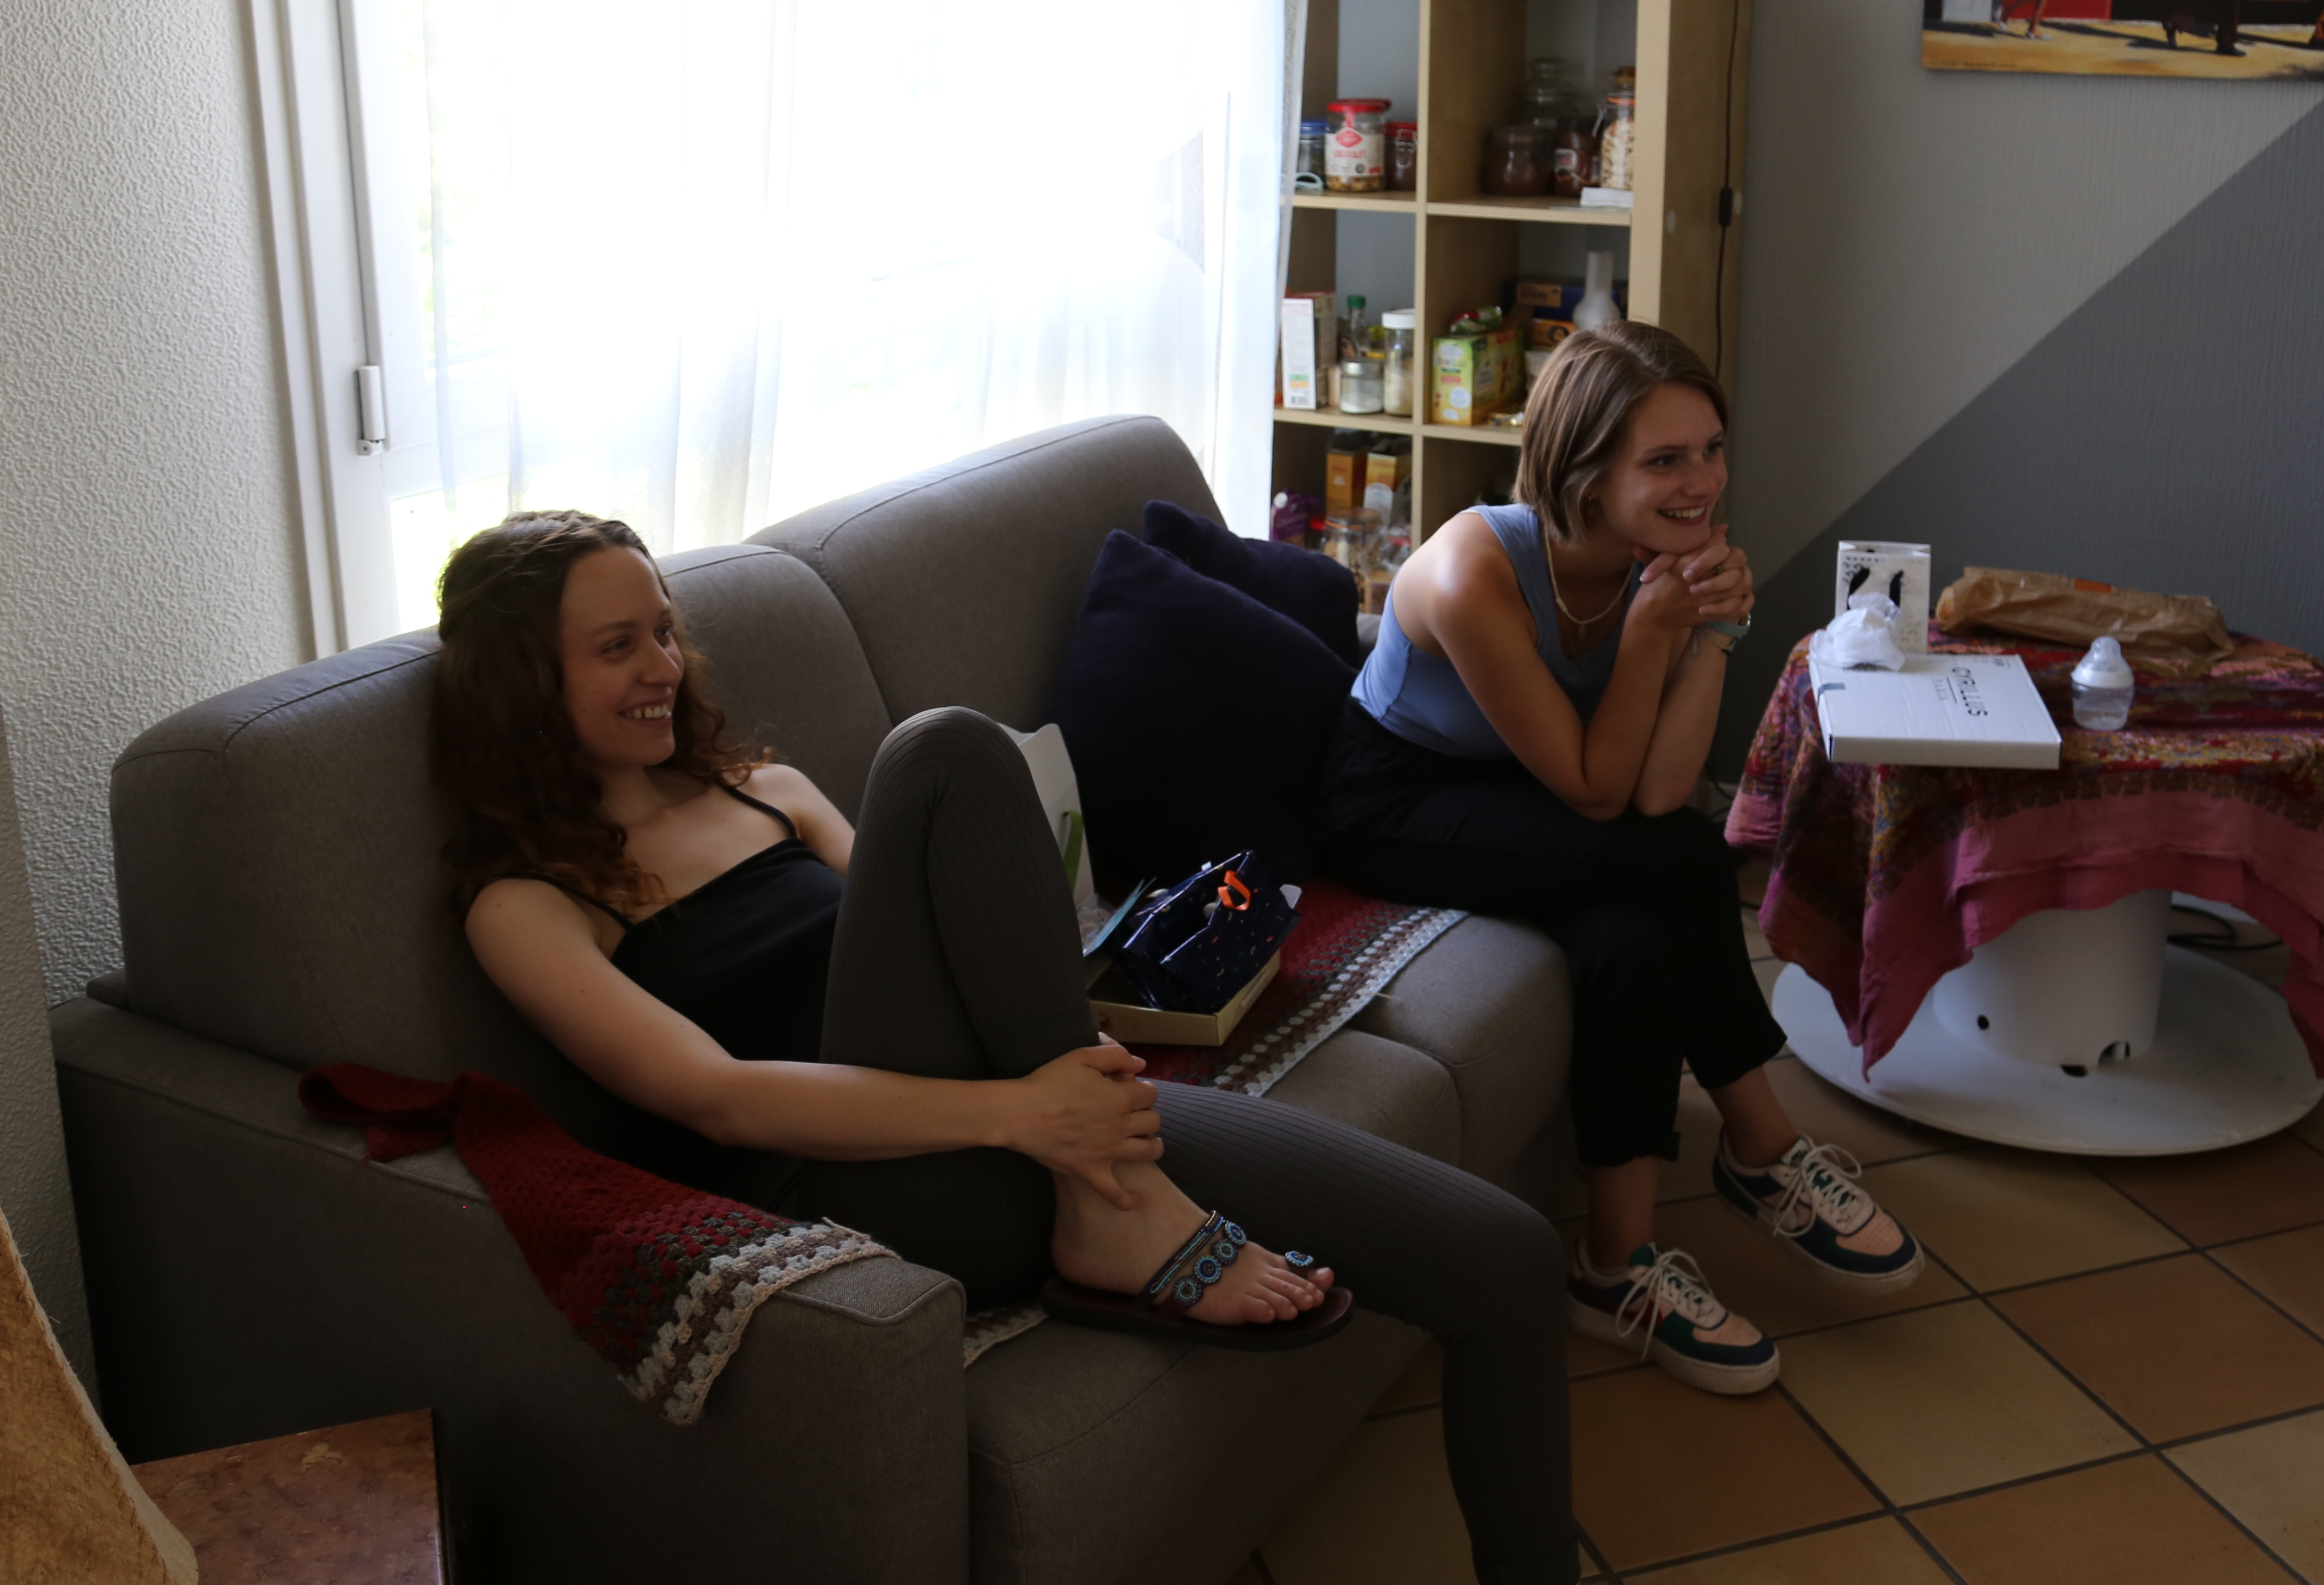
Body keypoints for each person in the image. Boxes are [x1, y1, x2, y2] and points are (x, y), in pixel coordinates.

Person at [434, 512, 1579, 1584]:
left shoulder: (768, 792)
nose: (664, 667)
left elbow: (951, 951)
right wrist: (1021, 1116)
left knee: (1508, 1260)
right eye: (617, 646)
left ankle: (1111, 1203)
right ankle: (1115, 1199)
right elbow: (717, 1096)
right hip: (854, 1190)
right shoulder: (527, 903)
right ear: (524, 685)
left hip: (1028, 1125)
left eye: (665, 631)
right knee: (940, 750)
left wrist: (1067, 1082)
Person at [1313, 325, 1924, 1400]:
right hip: (1396, 801)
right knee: (1683, 862)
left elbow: (1654, 791)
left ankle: (1611, 1266)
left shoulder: (1660, 558)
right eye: (1665, 460)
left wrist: (1714, 634)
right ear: (1584, 475)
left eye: (1711, 449)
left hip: (1531, 793)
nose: (1703, 483)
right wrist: (1655, 631)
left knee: (1631, 932)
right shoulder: (1470, 571)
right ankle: (1761, 1143)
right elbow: (1603, 794)